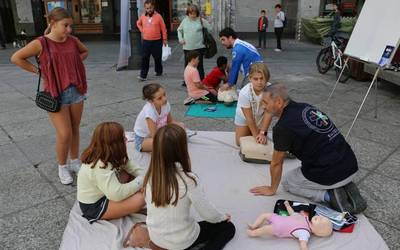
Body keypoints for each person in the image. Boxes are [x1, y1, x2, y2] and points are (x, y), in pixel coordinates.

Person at [250, 83, 367, 214]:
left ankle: (330, 196)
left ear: (278, 102)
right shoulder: (306, 107)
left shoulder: (282, 127)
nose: (263, 106)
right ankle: (343, 187)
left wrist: (272, 189)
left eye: (265, 102)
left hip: (332, 174)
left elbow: (277, 163)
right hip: (350, 164)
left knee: (288, 182)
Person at [10, 7, 88, 185]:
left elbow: (85, 52)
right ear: (52, 24)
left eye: (70, 26)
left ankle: (75, 162)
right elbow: (16, 58)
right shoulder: (41, 43)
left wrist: (72, 65)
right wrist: (38, 72)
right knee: (64, 133)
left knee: (75, 129)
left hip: (76, 90)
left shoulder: (72, 40)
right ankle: (62, 166)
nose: (69, 30)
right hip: (55, 93)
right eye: (65, 25)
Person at [142, 124, 236, 249]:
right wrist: (222, 217)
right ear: (182, 149)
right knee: (228, 228)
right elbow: (208, 213)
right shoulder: (189, 180)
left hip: (156, 237)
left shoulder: (150, 175)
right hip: (181, 242)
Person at [77, 122, 145, 223]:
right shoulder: (99, 165)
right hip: (95, 206)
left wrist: (144, 175)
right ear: (114, 144)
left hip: (105, 192)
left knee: (129, 174)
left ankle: (130, 199)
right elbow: (117, 195)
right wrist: (142, 180)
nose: (126, 140)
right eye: (123, 138)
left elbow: (130, 166)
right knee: (140, 199)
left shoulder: (110, 153)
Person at [248, 200, 332, 250]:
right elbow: (293, 214)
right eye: (321, 217)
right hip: (278, 218)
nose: (320, 217)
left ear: (318, 231)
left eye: (321, 221)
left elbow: (303, 244)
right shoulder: (305, 218)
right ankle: (254, 225)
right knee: (264, 215)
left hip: (279, 228)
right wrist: (287, 205)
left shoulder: (305, 233)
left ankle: (253, 233)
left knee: (265, 229)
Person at [134, 83, 184, 152]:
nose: (164, 99)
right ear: (151, 101)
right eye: (159, 98)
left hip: (159, 132)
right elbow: (155, 137)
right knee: (164, 143)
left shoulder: (165, 104)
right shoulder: (149, 112)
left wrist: (179, 128)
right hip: (143, 139)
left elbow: (170, 121)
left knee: (181, 126)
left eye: (164, 94)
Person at [235, 62, 272, 146]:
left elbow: (268, 113)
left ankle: (257, 131)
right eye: (256, 79)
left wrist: (262, 133)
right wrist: (256, 136)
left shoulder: (271, 90)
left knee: (261, 139)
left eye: (262, 78)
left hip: (260, 115)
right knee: (239, 143)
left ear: (267, 78)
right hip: (244, 116)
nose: (259, 82)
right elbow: (249, 118)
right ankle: (249, 131)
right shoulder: (244, 92)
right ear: (250, 78)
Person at [177, 4, 212, 84]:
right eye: (190, 13)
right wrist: (181, 39)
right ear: (188, 13)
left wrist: (205, 25)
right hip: (187, 47)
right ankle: (187, 81)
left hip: (199, 47)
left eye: (194, 13)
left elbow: (210, 29)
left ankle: (201, 81)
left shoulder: (200, 20)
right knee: (187, 65)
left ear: (197, 13)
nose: (192, 15)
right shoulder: (185, 20)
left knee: (199, 65)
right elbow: (179, 30)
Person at [136, 0, 168, 81]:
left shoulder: (158, 16)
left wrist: (164, 39)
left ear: (153, 7)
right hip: (146, 41)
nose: (149, 10)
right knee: (145, 58)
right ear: (145, 8)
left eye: (150, 8)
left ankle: (158, 71)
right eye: (147, 8)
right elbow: (138, 23)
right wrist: (142, 30)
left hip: (157, 41)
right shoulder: (143, 16)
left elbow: (163, 28)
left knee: (157, 57)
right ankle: (143, 75)